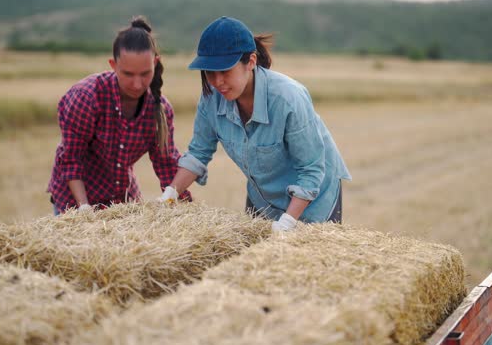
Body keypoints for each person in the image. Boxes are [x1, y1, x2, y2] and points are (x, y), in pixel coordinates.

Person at [158, 16, 350, 232]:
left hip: (315, 201)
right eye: (210, 72)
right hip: (263, 198)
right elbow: (198, 153)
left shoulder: (288, 98)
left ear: (250, 61)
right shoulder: (211, 98)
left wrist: (287, 223)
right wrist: (170, 195)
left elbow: (311, 169)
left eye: (225, 71)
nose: (217, 81)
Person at [48, 16, 191, 214]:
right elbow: (72, 160)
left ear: (155, 63)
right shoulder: (86, 97)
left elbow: (166, 165)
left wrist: (185, 211)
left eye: (145, 73)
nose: (137, 84)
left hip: (121, 199)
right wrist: (83, 209)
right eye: (128, 74)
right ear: (113, 65)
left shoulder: (159, 109)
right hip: (75, 199)